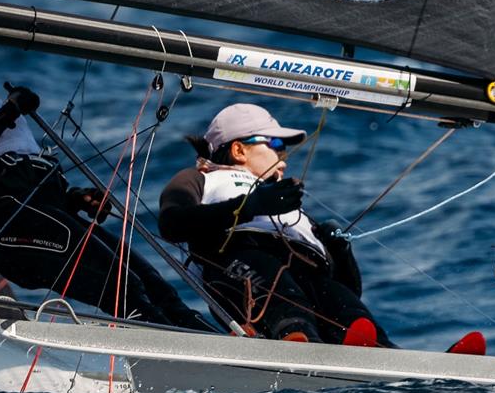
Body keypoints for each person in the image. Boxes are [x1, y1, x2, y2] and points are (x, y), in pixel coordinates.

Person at [0, 32, 210, 330]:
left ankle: (228, 355)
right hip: (2, 225)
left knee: (155, 286)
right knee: (124, 288)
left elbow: (19, 177)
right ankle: (177, 362)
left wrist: (75, 198)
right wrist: (7, 114)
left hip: (35, 218)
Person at [159, 103, 400, 346]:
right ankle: (296, 337)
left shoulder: (285, 204)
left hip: (304, 269)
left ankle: (379, 349)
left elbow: (349, 288)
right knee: (277, 283)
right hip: (237, 261)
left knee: (340, 300)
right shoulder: (201, 179)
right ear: (239, 150)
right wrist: (250, 206)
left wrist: (340, 251)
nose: (284, 158)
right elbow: (171, 223)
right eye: (276, 146)